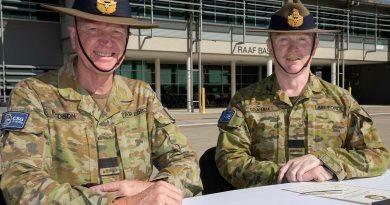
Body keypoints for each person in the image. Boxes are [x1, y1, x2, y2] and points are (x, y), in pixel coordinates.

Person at [0, 0, 202, 204]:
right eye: (93, 29)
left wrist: (150, 188)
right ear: (74, 36)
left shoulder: (141, 95)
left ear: (127, 39)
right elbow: (20, 181)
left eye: (117, 32)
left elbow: (186, 161)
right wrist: (119, 202)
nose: (106, 41)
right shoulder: (34, 93)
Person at [215, 0, 389, 189]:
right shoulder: (245, 101)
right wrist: (286, 174)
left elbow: (377, 155)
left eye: (302, 40)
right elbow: (229, 159)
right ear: (270, 46)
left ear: (315, 46)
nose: (293, 49)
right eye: (283, 40)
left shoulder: (342, 100)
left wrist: (325, 161)